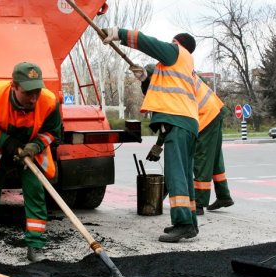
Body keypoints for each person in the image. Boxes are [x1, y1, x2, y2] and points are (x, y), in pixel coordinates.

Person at [101, 28, 199, 243]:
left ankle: (182, 223)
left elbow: (148, 42)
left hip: (177, 121)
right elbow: (159, 92)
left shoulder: (176, 52)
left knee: (175, 175)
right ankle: (189, 222)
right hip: (187, 123)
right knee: (184, 175)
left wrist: (119, 33)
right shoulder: (184, 66)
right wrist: (145, 78)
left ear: (177, 42)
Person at [0, 62, 62, 262]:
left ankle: (35, 244)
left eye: (37, 91)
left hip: (30, 150)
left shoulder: (49, 101)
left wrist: (34, 147)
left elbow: (53, 132)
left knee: (36, 193)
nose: (34, 98)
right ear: (14, 86)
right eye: (28, 93)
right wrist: (9, 144)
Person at [192, 76, 235, 214]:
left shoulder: (169, 79)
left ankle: (199, 203)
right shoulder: (183, 70)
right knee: (214, 158)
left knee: (202, 158)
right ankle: (223, 196)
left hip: (207, 115)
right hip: (215, 110)